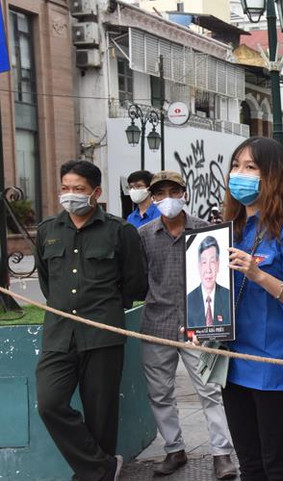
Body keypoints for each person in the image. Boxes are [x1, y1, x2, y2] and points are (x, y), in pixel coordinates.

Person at [34, 160, 148, 481]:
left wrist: (105, 308)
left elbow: (135, 284)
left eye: (78, 189)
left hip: (103, 336)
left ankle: (93, 476)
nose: (70, 195)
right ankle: (102, 468)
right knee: (49, 402)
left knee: (101, 417)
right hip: (59, 336)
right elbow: (47, 283)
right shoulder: (47, 231)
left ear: (96, 192)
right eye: (65, 189)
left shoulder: (119, 231)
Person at [223, 137, 283, 481]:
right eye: (235, 166)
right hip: (231, 365)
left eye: (250, 167)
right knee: (249, 464)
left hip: (272, 366)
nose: (239, 174)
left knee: (276, 463)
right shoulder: (229, 230)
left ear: (272, 176)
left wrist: (258, 274)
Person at [138, 171, 237, 479]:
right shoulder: (143, 236)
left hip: (201, 326)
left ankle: (222, 454)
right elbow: (137, 279)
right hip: (157, 324)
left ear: (185, 194)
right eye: (160, 193)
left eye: (173, 191)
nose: (167, 198)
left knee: (211, 391)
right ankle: (174, 449)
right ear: (153, 198)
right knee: (160, 393)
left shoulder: (208, 232)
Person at [187, 236, 232, 328]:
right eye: (204, 262)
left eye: (212, 262)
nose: (208, 270)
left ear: (218, 264)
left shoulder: (228, 297)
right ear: (199, 266)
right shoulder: (188, 300)